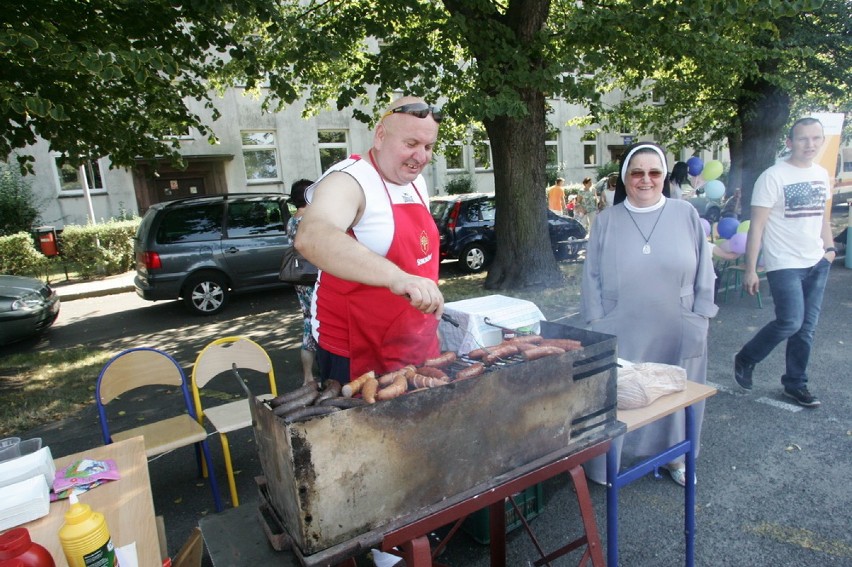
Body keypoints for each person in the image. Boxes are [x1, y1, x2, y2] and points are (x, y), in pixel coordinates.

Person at [580, 142, 718, 487]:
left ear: (665, 176)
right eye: (637, 172)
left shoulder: (685, 213)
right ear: (625, 177)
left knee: (675, 392)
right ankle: (608, 464)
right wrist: (597, 323)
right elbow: (591, 276)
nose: (646, 180)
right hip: (621, 325)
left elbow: (705, 268)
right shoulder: (605, 221)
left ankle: (676, 457)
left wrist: (702, 315)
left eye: (654, 172)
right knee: (619, 394)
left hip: (678, 323)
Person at [294, 96, 444, 383]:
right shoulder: (349, 179)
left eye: (428, 147)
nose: (421, 157)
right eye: (410, 144)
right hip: (357, 351)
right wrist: (396, 277)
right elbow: (311, 236)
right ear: (380, 136)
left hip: (415, 342)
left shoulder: (416, 182)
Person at [733, 117, 835, 408]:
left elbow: (822, 218)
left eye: (816, 138)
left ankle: (795, 384)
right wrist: (751, 268)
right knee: (790, 321)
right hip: (784, 263)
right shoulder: (773, 176)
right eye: (802, 138)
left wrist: (829, 250)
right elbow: (757, 227)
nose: (810, 144)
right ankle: (746, 358)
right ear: (790, 142)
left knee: (806, 328)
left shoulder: (820, 173)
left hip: (817, 261)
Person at [286, 178, 318, 386]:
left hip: (300, 277)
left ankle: (308, 377)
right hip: (316, 276)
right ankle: (323, 374)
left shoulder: (292, 221)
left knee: (308, 320)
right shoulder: (312, 220)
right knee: (320, 321)